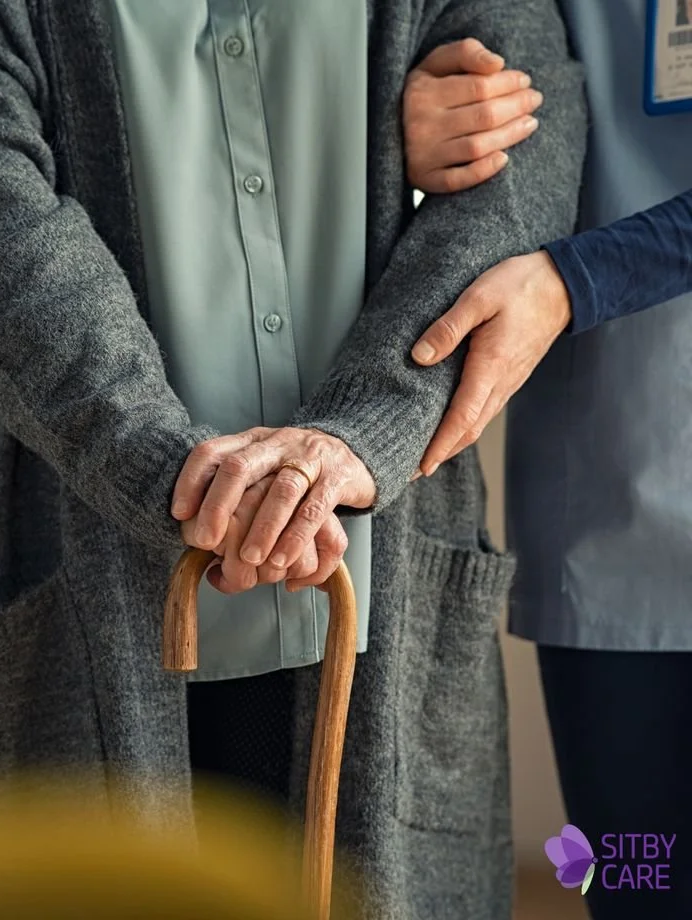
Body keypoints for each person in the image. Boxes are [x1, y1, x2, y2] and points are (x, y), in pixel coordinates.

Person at [0, 1, 585, 917]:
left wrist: (356, 435)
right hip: (83, 586)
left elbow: (523, 164)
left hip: (380, 583)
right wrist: (178, 472)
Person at [405, 2, 692, 918]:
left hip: (597, 433)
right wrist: (413, 134)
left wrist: (577, 280)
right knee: (638, 884)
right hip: (608, 521)